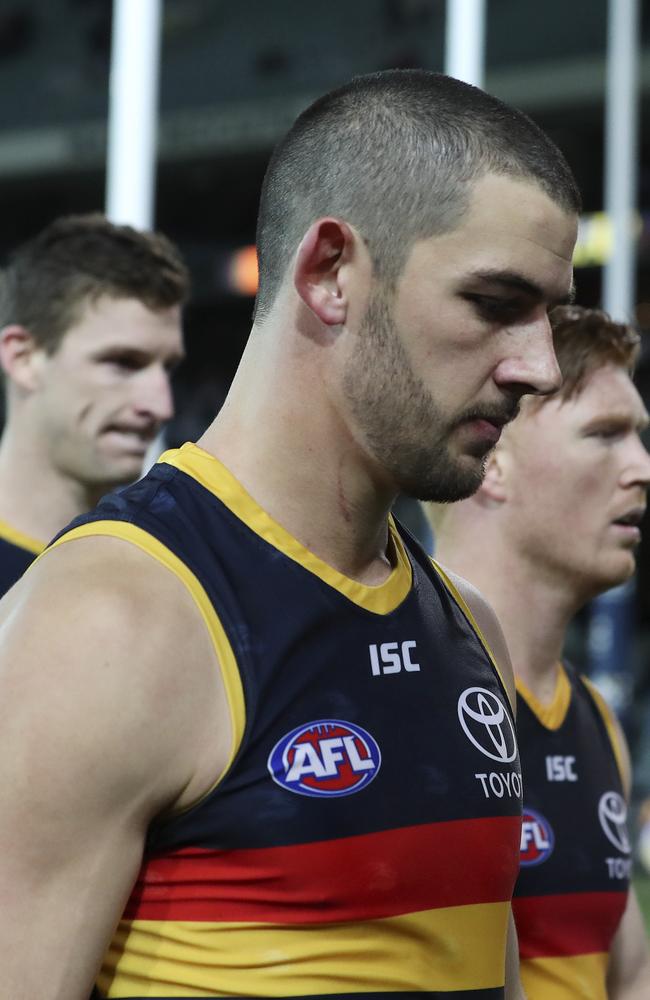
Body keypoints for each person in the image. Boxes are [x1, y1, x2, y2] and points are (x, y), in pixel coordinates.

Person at [0, 70, 579, 999]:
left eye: (549, 313)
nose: (540, 365)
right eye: (496, 302)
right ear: (329, 274)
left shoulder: (472, 630)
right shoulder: (113, 622)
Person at [431, 305, 650, 999]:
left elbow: (630, 974)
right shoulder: (399, 696)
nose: (642, 467)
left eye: (639, 436)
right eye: (605, 435)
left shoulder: (592, 719)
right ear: (492, 463)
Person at [0, 213, 188, 594]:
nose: (161, 406)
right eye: (123, 362)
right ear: (23, 359)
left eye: (167, 368)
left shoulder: (168, 579)